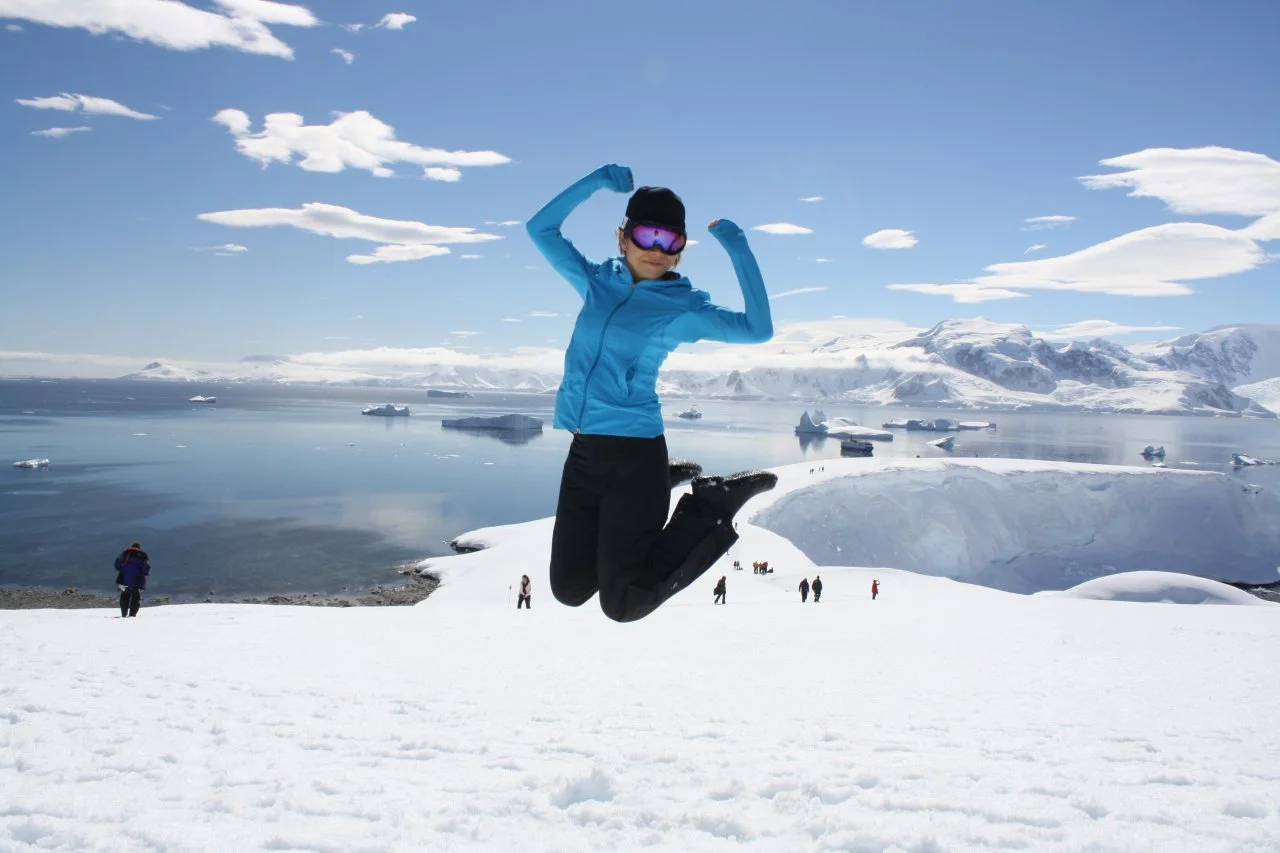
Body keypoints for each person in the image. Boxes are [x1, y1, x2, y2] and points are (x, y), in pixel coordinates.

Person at [528, 164, 776, 623]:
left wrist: (737, 248)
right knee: (569, 588)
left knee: (624, 603)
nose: (659, 251)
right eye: (647, 235)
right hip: (584, 450)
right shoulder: (596, 283)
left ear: (681, 250)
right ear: (622, 237)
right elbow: (539, 229)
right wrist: (596, 181)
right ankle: (664, 481)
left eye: (672, 242)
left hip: (634, 453)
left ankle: (712, 505)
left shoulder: (682, 307)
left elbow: (757, 329)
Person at [113, 542, 150, 618]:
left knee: (124, 596)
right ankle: (132, 615)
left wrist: (123, 569)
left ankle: (124, 614)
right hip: (138, 580)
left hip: (124, 579)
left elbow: (117, 565)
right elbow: (146, 568)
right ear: (139, 548)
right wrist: (145, 574)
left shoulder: (124, 554)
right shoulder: (142, 555)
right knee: (136, 598)